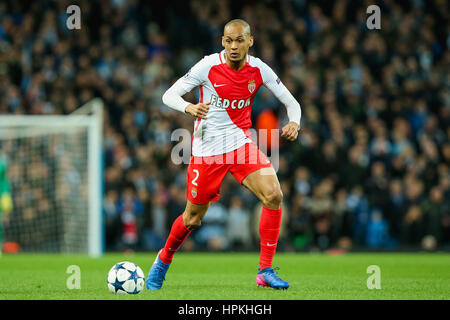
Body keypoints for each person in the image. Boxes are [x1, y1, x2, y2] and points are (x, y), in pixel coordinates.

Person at [146, 19, 301, 290]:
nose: (233, 46)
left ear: (250, 41)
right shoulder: (207, 66)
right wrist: (188, 108)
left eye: (239, 40)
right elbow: (168, 95)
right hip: (207, 152)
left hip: (241, 144)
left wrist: (294, 122)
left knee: (274, 195)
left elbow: (291, 102)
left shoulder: (259, 69)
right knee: (193, 218)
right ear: (222, 41)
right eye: (228, 40)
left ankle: (264, 270)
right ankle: (163, 259)